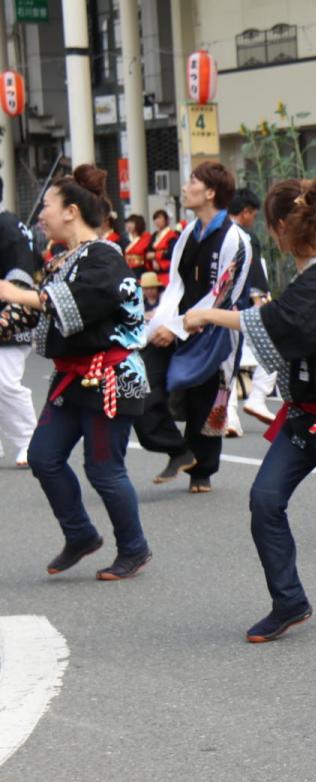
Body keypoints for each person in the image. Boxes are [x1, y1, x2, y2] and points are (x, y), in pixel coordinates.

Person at [184, 176, 316, 643]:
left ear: (279, 227)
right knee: (265, 500)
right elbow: (285, 329)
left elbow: (276, 323)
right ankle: (289, 600)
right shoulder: (312, 277)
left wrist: (207, 314)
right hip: (306, 415)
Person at [0, 165, 151, 579]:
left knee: (104, 470)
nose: (40, 215)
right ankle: (81, 534)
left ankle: (134, 548)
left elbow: (72, 301)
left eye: (46, 206)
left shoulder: (105, 256)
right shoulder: (62, 260)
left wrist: (19, 293)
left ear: (70, 211)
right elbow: (33, 313)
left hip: (111, 379)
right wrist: (8, 313)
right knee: (43, 456)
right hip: (73, 379)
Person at [138, 161, 252, 492]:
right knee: (141, 384)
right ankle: (176, 448)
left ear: (211, 192)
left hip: (216, 331)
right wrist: (162, 323)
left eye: (192, 182)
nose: (185, 187)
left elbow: (222, 296)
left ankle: (202, 469)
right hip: (176, 324)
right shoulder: (187, 233)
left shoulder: (236, 240)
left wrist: (177, 327)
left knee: (207, 402)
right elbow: (176, 284)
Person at [226, 188, 276, 428]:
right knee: (274, 347)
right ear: (245, 212)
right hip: (247, 304)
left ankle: (228, 415)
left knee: (227, 361)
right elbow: (254, 274)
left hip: (220, 307)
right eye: (253, 214)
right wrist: (261, 299)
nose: (253, 219)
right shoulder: (245, 236)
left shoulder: (216, 232)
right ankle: (257, 397)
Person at [0, 176, 40, 467]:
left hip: (10, 316)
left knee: (5, 382)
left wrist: (12, 313)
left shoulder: (9, 228)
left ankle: (30, 439)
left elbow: (22, 276)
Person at [150, 209, 178, 283]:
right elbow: (149, 251)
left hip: (167, 268)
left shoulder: (172, 234)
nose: (157, 221)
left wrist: (155, 255)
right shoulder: (154, 235)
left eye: (159, 218)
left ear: (166, 220)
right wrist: (154, 260)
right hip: (155, 268)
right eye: (155, 218)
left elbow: (172, 252)